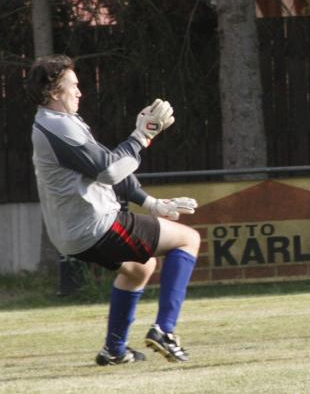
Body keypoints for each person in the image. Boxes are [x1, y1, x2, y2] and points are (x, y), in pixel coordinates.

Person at [29, 54, 200, 364]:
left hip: (75, 234)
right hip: (96, 226)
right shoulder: (57, 126)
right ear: (54, 92)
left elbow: (111, 167)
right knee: (189, 240)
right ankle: (165, 330)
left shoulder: (58, 123)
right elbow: (109, 171)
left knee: (140, 268)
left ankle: (114, 350)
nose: (80, 92)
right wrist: (143, 134)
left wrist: (151, 204)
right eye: (74, 86)